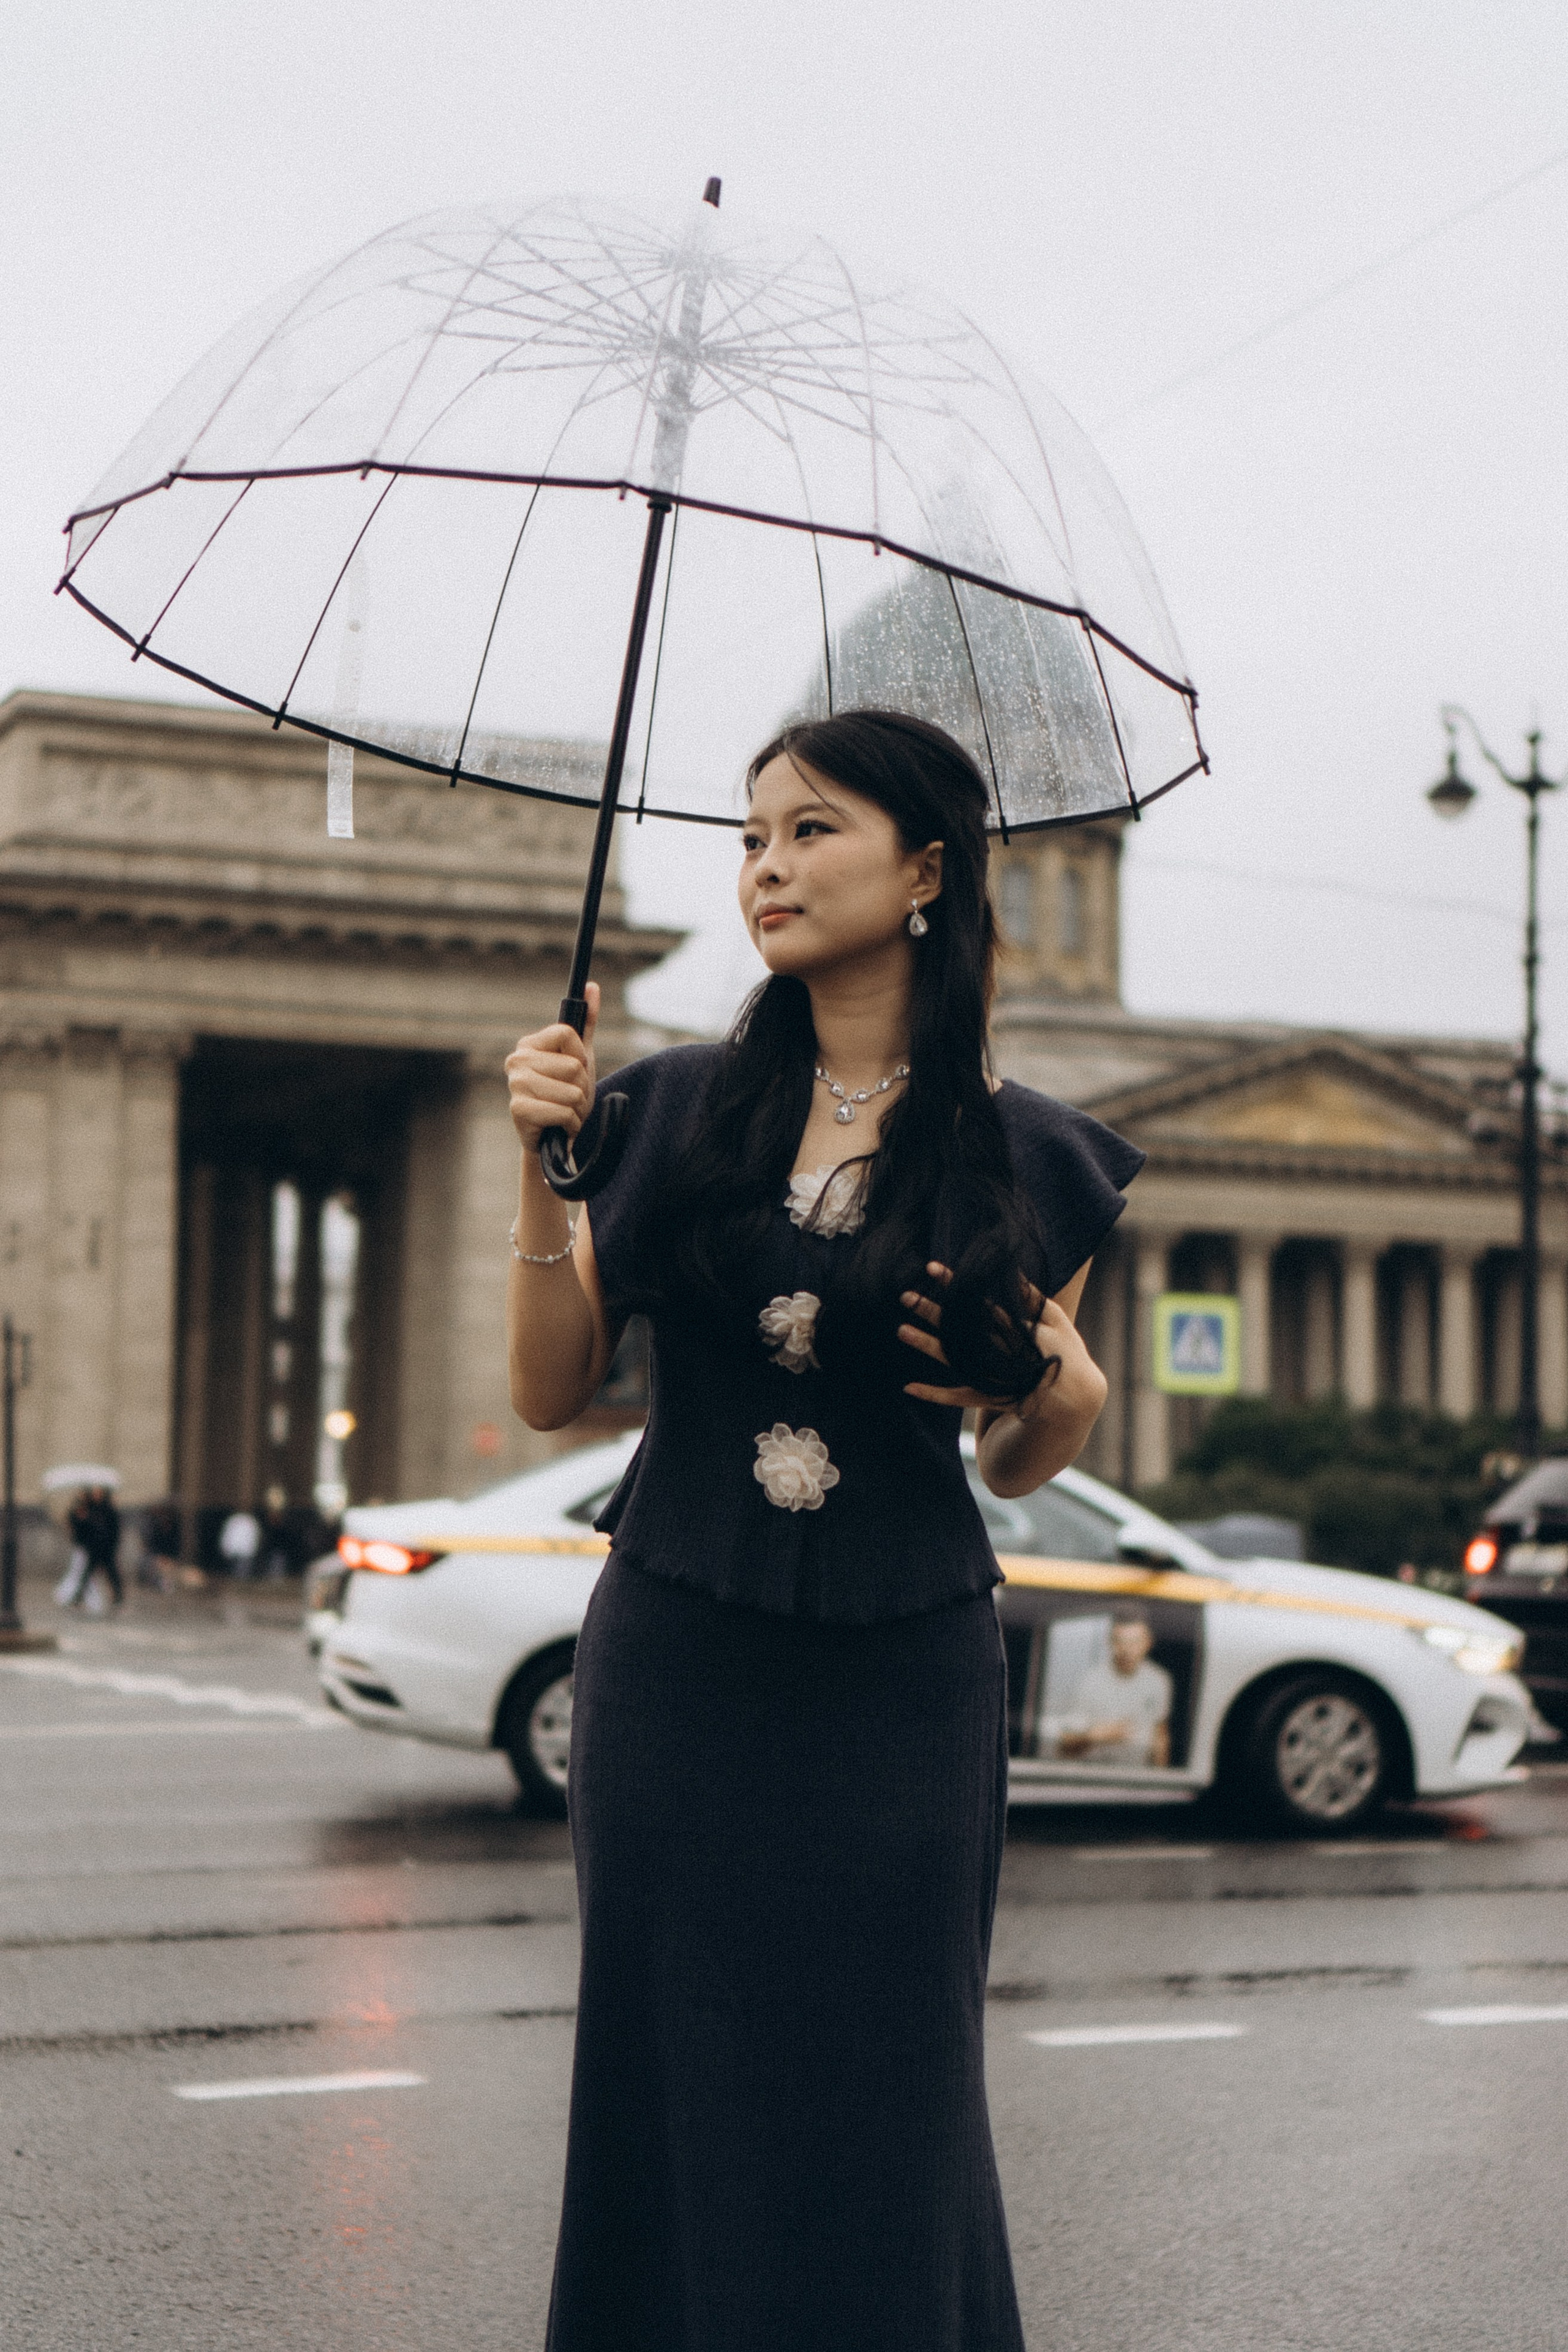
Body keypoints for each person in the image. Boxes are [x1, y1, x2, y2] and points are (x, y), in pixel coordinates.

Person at [505, 710, 1144, 2352]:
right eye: (749, 838)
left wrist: (1063, 1387)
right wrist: (540, 1180)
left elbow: (1016, 1456)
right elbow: (553, 1390)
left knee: (890, 2082)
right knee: (672, 2065)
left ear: (925, 870)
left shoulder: (1031, 1156)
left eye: (812, 831)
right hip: (678, 1653)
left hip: (902, 1673)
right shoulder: (663, 1110)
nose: (767, 869)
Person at [1047, 1606, 1174, 1768]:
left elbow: (1160, 1736)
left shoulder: (1159, 1681)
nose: (1128, 1650)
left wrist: (1159, 1781)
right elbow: (1065, 1744)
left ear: (1147, 1643)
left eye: (1135, 1642)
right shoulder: (1091, 1681)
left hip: (1138, 1779)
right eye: (1121, 1641)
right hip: (1096, 1775)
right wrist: (1096, 1736)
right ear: (1110, 1642)